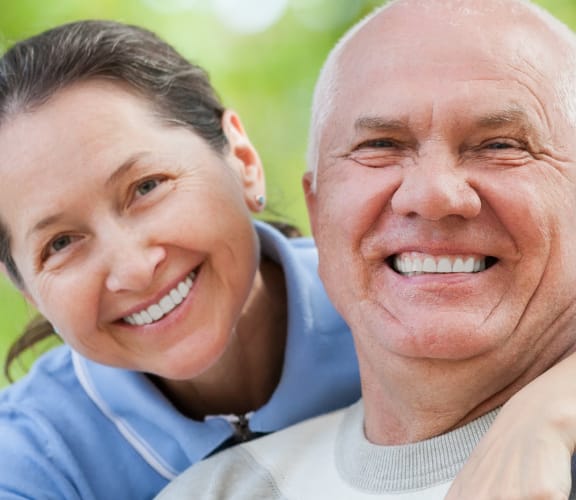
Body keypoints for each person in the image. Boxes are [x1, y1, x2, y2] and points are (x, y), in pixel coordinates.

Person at [155, 0, 576, 498]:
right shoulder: (218, 490)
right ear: (317, 210)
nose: (433, 195)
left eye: (500, 145)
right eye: (380, 145)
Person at [0, 20, 361, 498]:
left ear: (243, 161)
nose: (132, 269)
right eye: (61, 243)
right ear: (30, 291)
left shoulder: (396, 304)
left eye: (147, 187)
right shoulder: (31, 458)